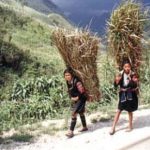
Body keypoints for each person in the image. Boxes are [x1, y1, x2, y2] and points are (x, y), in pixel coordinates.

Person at [109, 60, 139, 135]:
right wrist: (116, 81)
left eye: (128, 66)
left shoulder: (133, 74)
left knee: (129, 110)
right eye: (125, 67)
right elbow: (116, 85)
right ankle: (113, 127)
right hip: (123, 94)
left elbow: (135, 85)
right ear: (123, 67)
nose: (127, 68)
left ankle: (130, 126)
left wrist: (131, 79)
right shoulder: (120, 74)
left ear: (130, 67)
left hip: (131, 94)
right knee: (119, 110)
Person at [64, 67, 88, 138]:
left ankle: (71, 132)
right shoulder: (68, 82)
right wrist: (71, 97)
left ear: (71, 75)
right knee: (81, 112)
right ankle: (85, 127)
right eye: (65, 75)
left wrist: (77, 97)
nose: (67, 76)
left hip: (81, 98)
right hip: (76, 99)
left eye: (68, 75)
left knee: (73, 113)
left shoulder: (76, 81)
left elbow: (82, 91)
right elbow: (70, 90)